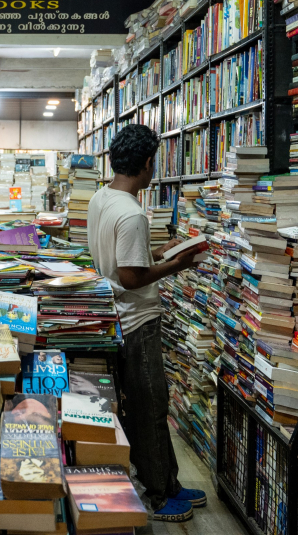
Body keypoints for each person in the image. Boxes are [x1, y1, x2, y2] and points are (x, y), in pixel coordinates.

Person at [87, 124, 210, 524]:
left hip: (114, 315)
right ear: (145, 163)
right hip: (136, 318)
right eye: (154, 161)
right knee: (150, 407)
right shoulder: (134, 212)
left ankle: (169, 482)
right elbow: (132, 277)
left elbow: (124, 259)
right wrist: (178, 263)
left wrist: (159, 250)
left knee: (145, 404)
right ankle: (158, 494)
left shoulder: (102, 198)